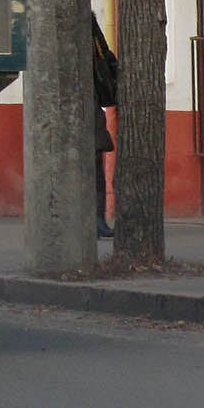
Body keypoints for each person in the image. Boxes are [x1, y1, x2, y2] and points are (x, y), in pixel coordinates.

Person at [91, 12, 118, 239]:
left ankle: (97, 219)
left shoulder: (87, 23)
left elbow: (105, 57)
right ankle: (97, 220)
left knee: (94, 163)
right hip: (81, 106)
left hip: (89, 106)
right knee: (93, 165)